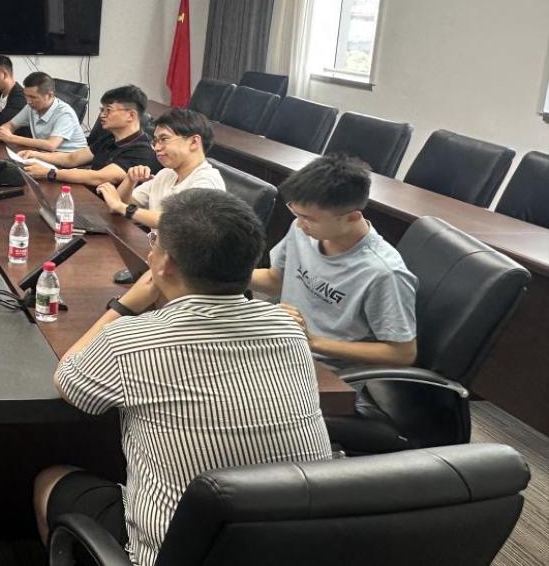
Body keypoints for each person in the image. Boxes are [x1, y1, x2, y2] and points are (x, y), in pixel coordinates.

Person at [35, 188, 333, 566]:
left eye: (154, 243)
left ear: (166, 265)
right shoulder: (286, 327)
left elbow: (68, 379)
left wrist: (125, 305)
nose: (150, 252)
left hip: (176, 553)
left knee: (50, 481)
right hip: (298, 548)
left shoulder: (131, 340)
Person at [250, 153, 418, 369]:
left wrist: (313, 342)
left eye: (308, 218)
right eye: (296, 214)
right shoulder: (303, 231)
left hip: (324, 367)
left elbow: (402, 353)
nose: (299, 224)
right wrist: (218, 274)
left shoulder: (384, 272)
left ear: (352, 217)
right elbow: (275, 280)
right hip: (281, 345)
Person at [95, 107, 223, 229]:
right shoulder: (166, 174)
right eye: (155, 141)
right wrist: (130, 181)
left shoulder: (206, 182)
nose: (156, 148)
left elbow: (175, 222)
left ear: (194, 142)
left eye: (164, 139)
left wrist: (121, 207)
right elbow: (120, 207)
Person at [17, 85, 159, 186]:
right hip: (90, 195)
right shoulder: (110, 138)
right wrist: (35, 155)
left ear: (131, 115)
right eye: (102, 110)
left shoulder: (141, 151)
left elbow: (99, 177)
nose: (102, 115)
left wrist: (50, 173)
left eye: (108, 110)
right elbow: (72, 158)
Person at [0, 71, 86, 153]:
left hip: (72, 161)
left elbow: (51, 145)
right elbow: (11, 125)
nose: (28, 101)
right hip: (44, 155)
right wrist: (2, 132)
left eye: (33, 97)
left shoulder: (65, 113)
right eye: (26, 96)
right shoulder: (31, 107)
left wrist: (10, 138)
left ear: (50, 95)